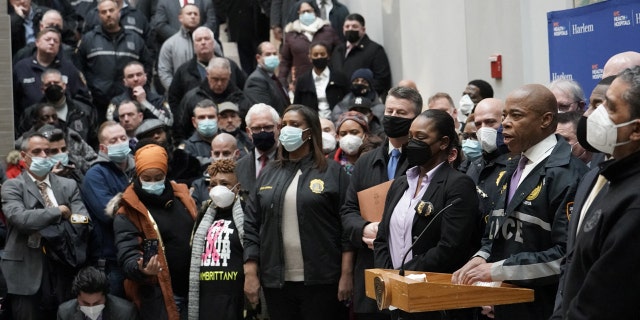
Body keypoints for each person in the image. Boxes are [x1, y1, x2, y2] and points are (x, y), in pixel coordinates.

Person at [452, 84, 588, 320]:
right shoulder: (512, 165)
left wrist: (496, 270)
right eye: (504, 115)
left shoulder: (567, 174)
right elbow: (496, 230)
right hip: (506, 304)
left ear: (545, 120)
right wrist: (480, 258)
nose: (505, 123)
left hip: (545, 307)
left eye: (516, 115)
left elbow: (565, 256)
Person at [244, 104, 352, 320]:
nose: (286, 130)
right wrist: (250, 273)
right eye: (283, 125)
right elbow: (251, 227)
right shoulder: (268, 173)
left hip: (322, 280)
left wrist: (346, 274)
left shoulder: (332, 172)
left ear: (310, 132)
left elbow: (347, 228)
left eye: (294, 125)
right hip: (277, 282)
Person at [552, 65, 640, 319]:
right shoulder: (608, 177)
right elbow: (574, 264)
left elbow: (604, 300)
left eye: (609, 107)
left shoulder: (633, 202)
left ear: (636, 129)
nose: (594, 116)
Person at [374, 109, 478, 320]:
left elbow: (451, 247)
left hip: (435, 300)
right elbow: (382, 237)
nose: (412, 143)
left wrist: (404, 275)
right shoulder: (401, 183)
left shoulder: (458, 184)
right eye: (411, 137)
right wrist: (389, 277)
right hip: (395, 295)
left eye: (421, 138)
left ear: (443, 142)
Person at [340, 86, 422, 319]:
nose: (393, 117)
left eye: (401, 113)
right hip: (371, 267)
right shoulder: (366, 161)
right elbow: (348, 210)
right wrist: (364, 228)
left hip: (410, 268)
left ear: (416, 119)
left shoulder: (423, 161)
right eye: (390, 111)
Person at [1, 133, 91, 320]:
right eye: (37, 151)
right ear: (24, 156)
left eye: (47, 151)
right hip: (26, 270)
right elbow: (21, 219)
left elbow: (83, 220)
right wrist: (59, 212)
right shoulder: (12, 186)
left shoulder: (68, 185)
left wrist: (43, 221)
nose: (43, 155)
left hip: (62, 265)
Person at [113, 144, 197, 320]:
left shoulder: (182, 198)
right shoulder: (128, 211)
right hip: (159, 295)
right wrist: (142, 268)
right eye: (147, 178)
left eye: (158, 177)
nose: (153, 183)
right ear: (138, 176)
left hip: (194, 289)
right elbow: (127, 255)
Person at [82, 121, 135, 298]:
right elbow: (110, 214)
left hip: (137, 254)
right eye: (114, 141)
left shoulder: (138, 168)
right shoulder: (95, 174)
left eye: (123, 138)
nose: (120, 143)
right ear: (103, 148)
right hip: (111, 260)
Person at [188, 159, 246, 320]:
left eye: (225, 183)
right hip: (207, 298)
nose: (218, 188)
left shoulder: (248, 214)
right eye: (214, 184)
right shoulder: (203, 214)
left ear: (238, 187)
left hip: (236, 299)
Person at [77, 0, 152, 123]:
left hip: (129, 101)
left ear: (119, 12)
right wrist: (89, 90)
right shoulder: (89, 39)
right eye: (103, 12)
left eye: (111, 10)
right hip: (98, 102)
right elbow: (79, 67)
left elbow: (147, 65)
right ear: (98, 15)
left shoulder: (135, 38)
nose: (108, 14)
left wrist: (143, 87)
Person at [168, 26, 246, 133]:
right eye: (199, 40)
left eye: (207, 39)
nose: (203, 42)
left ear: (213, 42)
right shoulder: (183, 71)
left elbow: (242, 90)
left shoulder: (230, 65)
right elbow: (174, 99)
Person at [13, 27, 89, 129]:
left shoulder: (69, 68)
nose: (52, 43)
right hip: (31, 124)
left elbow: (82, 98)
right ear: (37, 42)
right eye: (48, 39)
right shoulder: (22, 67)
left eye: (56, 41)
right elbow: (13, 101)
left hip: (65, 124)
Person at [465, 98, 510, 254]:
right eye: (478, 124)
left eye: (490, 122)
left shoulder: (517, 165)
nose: (483, 129)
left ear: (505, 121)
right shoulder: (474, 165)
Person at [179, 57, 252, 141]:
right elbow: (181, 129)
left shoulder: (240, 98)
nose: (219, 84)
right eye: (215, 79)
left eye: (224, 79)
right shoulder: (192, 97)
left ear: (229, 75)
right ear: (207, 74)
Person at [278, 1, 340, 92]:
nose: (306, 14)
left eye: (309, 11)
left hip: (328, 80)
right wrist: (283, 82)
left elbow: (339, 53)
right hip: (302, 83)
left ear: (315, 11)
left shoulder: (327, 30)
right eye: (303, 12)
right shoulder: (291, 34)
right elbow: (285, 61)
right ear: (298, 14)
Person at [330, 13, 391, 97]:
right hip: (340, 101)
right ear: (343, 29)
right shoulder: (338, 50)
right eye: (347, 27)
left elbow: (382, 80)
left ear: (363, 29)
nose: (350, 29)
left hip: (364, 102)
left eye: (354, 26)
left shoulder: (375, 50)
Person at [134, 119, 203, 187]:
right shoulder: (138, 164)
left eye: (159, 132)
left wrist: (179, 184)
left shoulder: (184, 158)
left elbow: (198, 180)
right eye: (150, 135)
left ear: (167, 134)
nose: (156, 136)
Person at [57, 266, 139, 320]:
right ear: (77, 297)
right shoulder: (65, 313)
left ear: (105, 296)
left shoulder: (126, 313)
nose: (91, 309)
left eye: (97, 303)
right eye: (85, 303)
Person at [107, 61, 173, 127]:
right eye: (130, 76)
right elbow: (111, 126)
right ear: (125, 82)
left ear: (145, 77)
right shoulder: (117, 101)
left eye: (139, 74)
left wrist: (144, 103)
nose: (135, 79)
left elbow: (169, 123)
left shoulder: (159, 100)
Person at [293, 42, 349, 119]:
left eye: (322, 54)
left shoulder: (339, 77)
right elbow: (297, 106)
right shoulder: (303, 80)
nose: (319, 57)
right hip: (312, 124)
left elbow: (348, 100)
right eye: (315, 55)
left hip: (336, 122)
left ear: (328, 56)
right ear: (310, 57)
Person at [235, 103, 281, 195]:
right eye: (256, 128)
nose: (262, 132)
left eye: (268, 127)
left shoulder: (291, 161)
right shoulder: (239, 167)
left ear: (278, 128)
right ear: (248, 132)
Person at [157, 4, 202, 91]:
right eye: (189, 14)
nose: (193, 16)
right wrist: (175, 91)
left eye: (196, 14)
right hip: (180, 96)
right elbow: (164, 72)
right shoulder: (170, 44)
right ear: (180, 18)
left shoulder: (210, 42)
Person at [244, 42, 291, 115]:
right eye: (268, 54)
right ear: (258, 58)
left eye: (275, 54)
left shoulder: (273, 77)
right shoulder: (256, 80)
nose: (272, 57)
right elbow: (265, 112)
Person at [330, 111, 382, 175]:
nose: (348, 137)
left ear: (365, 134)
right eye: (343, 134)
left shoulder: (377, 156)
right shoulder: (330, 160)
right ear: (337, 137)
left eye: (354, 132)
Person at [151, 0, 216, 44]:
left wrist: (198, 37)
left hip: (201, 46)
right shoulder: (165, 2)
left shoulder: (205, 1)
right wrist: (180, 38)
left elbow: (211, 22)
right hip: (174, 47)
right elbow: (160, 24)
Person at [184, 99, 219, 168]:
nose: (207, 121)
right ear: (194, 122)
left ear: (218, 119)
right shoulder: (188, 148)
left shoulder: (230, 140)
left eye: (211, 117)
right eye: (201, 117)